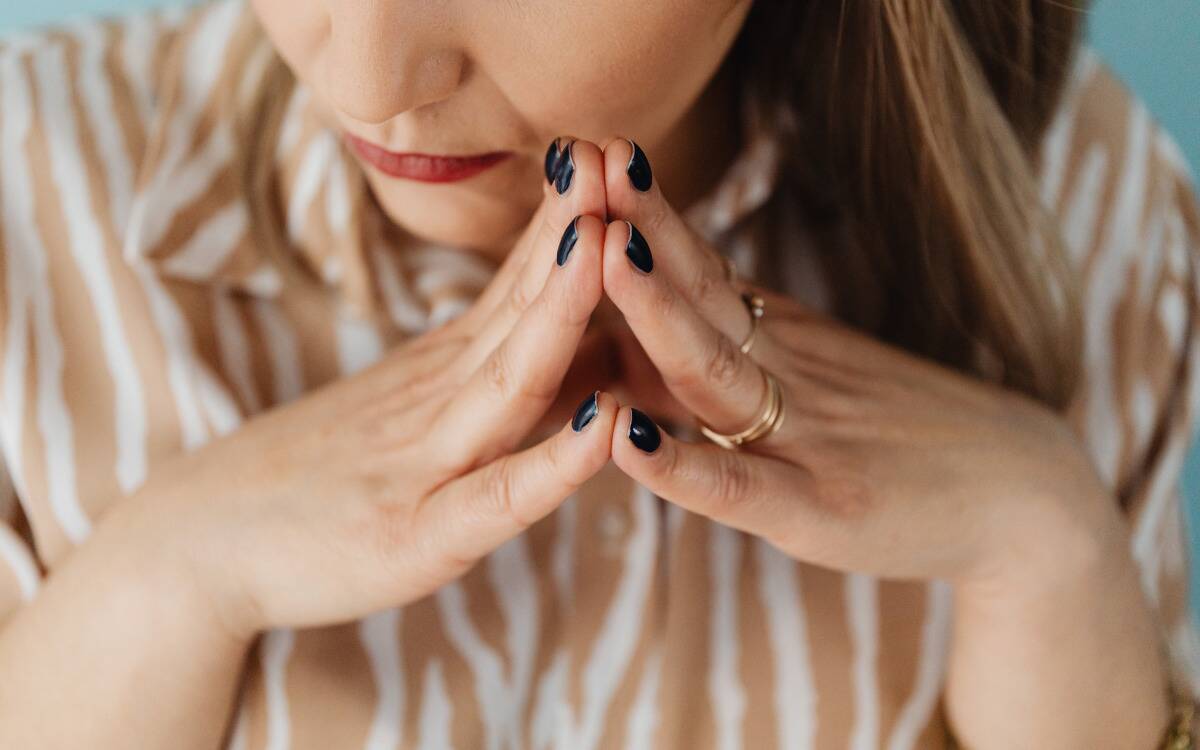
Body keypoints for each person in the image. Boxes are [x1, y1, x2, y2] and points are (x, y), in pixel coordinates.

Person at [0, 0, 1197, 746]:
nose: (368, 75)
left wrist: (1052, 552)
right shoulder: (31, 195)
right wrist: (163, 582)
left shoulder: (1088, 225)